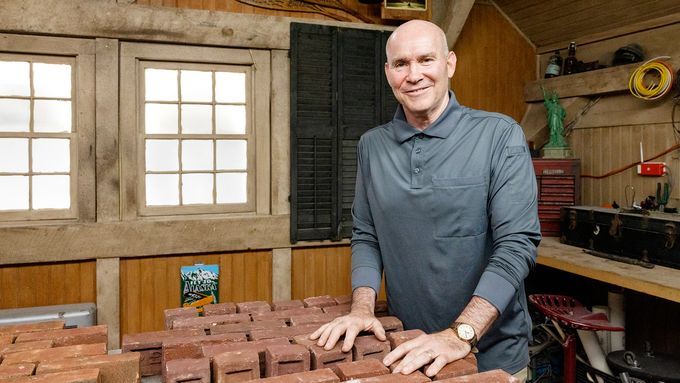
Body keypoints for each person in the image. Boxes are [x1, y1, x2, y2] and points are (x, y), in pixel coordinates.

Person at [310, 20, 541, 381]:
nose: (413, 74)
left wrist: (460, 334)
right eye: (401, 64)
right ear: (388, 73)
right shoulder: (372, 146)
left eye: (426, 60)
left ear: (449, 64)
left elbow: (516, 245)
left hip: (491, 356)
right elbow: (367, 235)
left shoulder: (499, 135)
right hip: (409, 349)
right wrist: (362, 308)